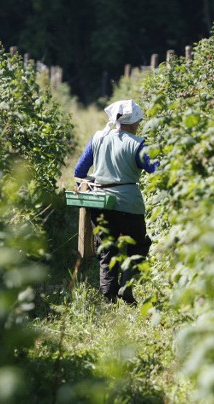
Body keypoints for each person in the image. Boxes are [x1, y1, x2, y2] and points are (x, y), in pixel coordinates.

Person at [73, 99, 158, 305]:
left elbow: (79, 172)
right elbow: (155, 168)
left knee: (106, 248)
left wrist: (97, 178)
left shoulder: (98, 139)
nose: (138, 125)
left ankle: (108, 296)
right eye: (137, 121)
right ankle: (126, 287)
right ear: (131, 123)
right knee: (138, 246)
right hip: (130, 204)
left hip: (102, 203)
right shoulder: (138, 144)